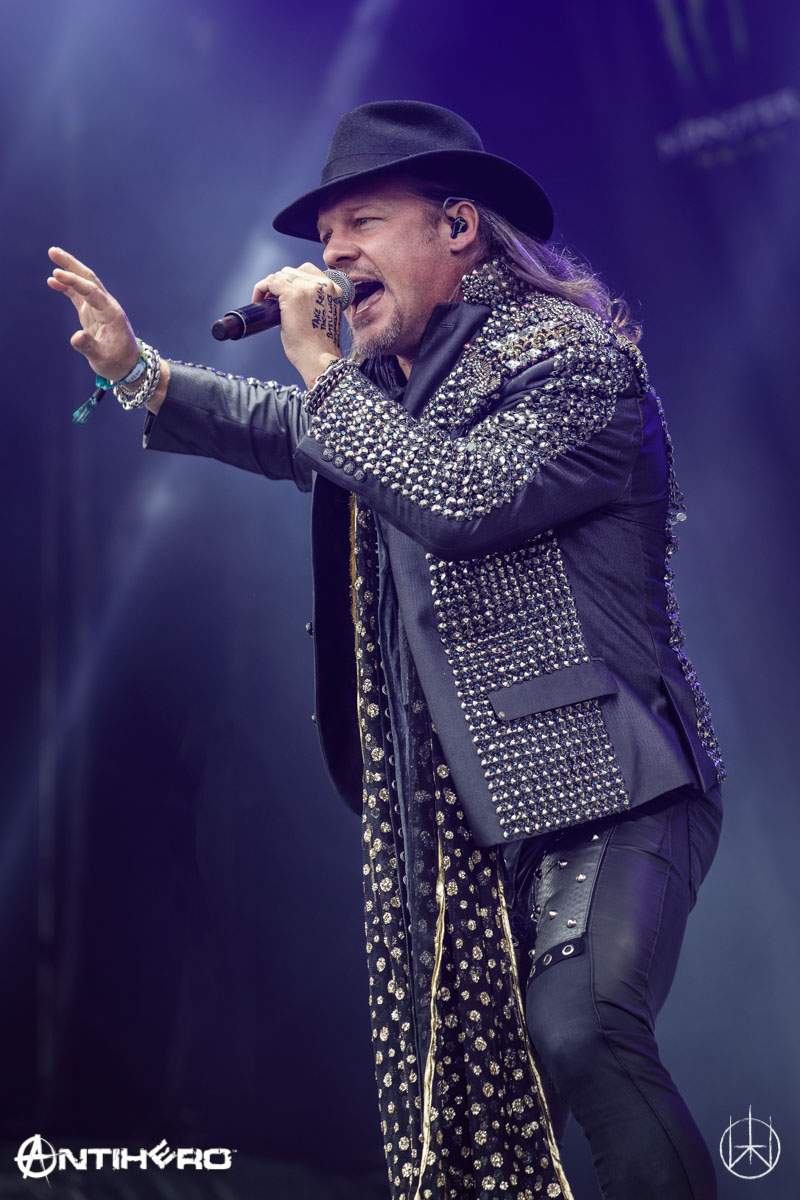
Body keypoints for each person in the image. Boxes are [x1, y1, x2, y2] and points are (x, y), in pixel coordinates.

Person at [48, 100, 724, 1200]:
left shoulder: (571, 361)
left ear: (458, 227)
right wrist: (140, 372)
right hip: (467, 827)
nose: (333, 257)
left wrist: (320, 369)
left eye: (361, 223)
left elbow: (458, 495)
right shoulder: (387, 394)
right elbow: (293, 431)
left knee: (584, 1030)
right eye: (325, 239)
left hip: (605, 788)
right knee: (475, 1118)